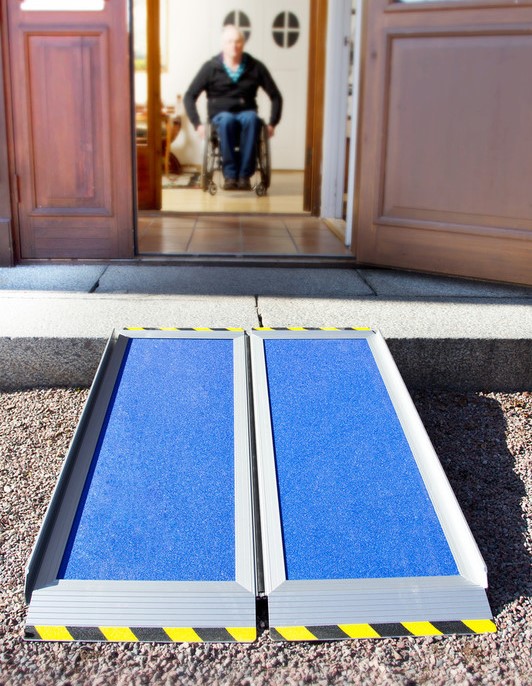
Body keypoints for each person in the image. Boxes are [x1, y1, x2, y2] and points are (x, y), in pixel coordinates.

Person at [184, 25, 282, 191]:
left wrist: (273, 123)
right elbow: (189, 96)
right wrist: (197, 124)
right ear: (223, 44)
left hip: (247, 114)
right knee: (227, 120)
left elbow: (275, 95)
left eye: (237, 41)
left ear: (243, 43)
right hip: (220, 117)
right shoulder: (210, 67)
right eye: (230, 41)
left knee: (252, 119)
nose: (234, 45)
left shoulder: (255, 66)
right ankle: (230, 175)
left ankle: (244, 176)